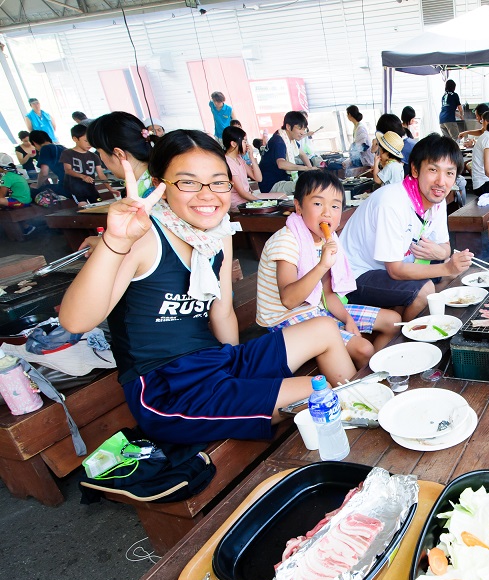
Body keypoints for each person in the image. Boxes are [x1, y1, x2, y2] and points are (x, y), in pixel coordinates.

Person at [58, 129, 355, 446]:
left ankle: (363, 406)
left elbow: (223, 313)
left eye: (218, 182)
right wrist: (115, 241)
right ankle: (359, 425)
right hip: (168, 391)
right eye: (188, 182)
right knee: (314, 391)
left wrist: (236, 374)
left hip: (216, 362)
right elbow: (75, 322)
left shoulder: (218, 235)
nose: (207, 195)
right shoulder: (142, 237)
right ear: (160, 185)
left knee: (324, 328)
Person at [256, 170, 400, 368]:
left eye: (335, 206)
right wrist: (322, 265)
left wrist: (348, 320)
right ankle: (366, 376)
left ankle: (374, 370)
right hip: (284, 320)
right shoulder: (286, 241)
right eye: (318, 204)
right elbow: (289, 300)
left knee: (393, 321)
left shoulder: (327, 239)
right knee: (364, 349)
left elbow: (327, 293)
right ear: (298, 206)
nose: (327, 212)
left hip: (317, 308)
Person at [340, 133, 474, 321]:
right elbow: (395, 270)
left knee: (457, 270)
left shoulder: (437, 202)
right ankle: (403, 335)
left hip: (394, 268)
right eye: (433, 170)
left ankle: (414, 318)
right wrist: (446, 267)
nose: (441, 182)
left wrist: (442, 254)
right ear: (415, 170)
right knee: (425, 289)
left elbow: (445, 248)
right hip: (355, 275)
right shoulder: (391, 203)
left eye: (449, 173)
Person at [88, 112, 156, 198]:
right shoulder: (158, 174)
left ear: (119, 154)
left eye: (100, 152)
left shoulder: (146, 194)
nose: (101, 158)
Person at [259, 111, 314, 194]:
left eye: (304, 129)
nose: (302, 132)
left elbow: (302, 154)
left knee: (310, 183)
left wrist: (311, 171)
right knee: (307, 187)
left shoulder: (289, 139)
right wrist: (306, 168)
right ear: (288, 127)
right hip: (272, 185)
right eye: (299, 128)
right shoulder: (279, 141)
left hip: (282, 180)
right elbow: (281, 164)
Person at [60, 124, 107, 204]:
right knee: (82, 205)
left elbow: (101, 175)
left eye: (91, 141)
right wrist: (83, 176)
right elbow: (68, 170)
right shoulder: (67, 153)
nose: (89, 144)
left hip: (91, 188)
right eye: (86, 141)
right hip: (75, 188)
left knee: (99, 203)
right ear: (75, 139)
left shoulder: (94, 156)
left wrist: (110, 189)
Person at [222, 125, 266, 210]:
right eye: (244, 141)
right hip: (238, 205)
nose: (247, 145)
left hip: (246, 201)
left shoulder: (239, 158)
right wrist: (262, 202)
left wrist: (252, 157)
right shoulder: (228, 163)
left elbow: (258, 178)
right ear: (233, 144)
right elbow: (242, 193)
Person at [344, 105, 375, 178]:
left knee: (343, 165)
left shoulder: (360, 128)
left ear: (349, 114)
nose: (347, 116)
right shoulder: (356, 126)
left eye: (347, 114)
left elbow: (363, 146)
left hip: (365, 158)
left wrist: (352, 158)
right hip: (361, 157)